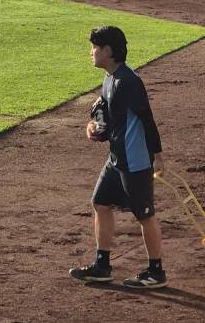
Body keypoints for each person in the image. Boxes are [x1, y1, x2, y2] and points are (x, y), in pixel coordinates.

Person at [69, 26, 166, 288]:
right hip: (116, 158)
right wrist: (93, 128)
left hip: (135, 160)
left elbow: (147, 119)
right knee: (100, 203)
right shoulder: (110, 79)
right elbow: (105, 115)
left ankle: (156, 272)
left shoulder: (128, 82)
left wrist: (157, 156)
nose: (92, 53)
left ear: (108, 51)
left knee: (144, 214)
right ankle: (102, 265)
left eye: (96, 48)